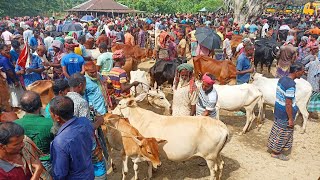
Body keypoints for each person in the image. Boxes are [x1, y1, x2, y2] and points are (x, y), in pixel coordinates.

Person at [49, 96, 94, 179]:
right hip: (89, 173)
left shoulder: (60, 142)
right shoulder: (85, 122)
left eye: (51, 113)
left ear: (57, 117)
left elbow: (60, 173)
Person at [267, 63, 305, 161]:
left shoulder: (282, 79)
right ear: (296, 71)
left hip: (278, 109)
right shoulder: (291, 85)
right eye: (302, 71)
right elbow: (288, 103)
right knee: (283, 133)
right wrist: (291, 119)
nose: (303, 72)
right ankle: (276, 153)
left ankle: (273, 147)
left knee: (277, 130)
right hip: (285, 113)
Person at [15, 91, 54, 172]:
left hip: (24, 165)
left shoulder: (14, 125)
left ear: (21, 107)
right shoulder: (51, 123)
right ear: (40, 105)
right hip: (47, 164)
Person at [0, 44, 24, 108]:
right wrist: (15, 81)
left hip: (9, 82)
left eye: (8, 50)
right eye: (5, 50)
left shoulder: (5, 58)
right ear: (1, 51)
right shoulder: (4, 59)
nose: (8, 51)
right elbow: (9, 71)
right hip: (12, 82)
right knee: (16, 99)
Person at [306, 46, 320, 118]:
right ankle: (310, 113)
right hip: (316, 85)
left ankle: (308, 112)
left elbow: (305, 67)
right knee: (313, 99)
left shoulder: (311, 63)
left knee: (308, 98)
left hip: (309, 83)